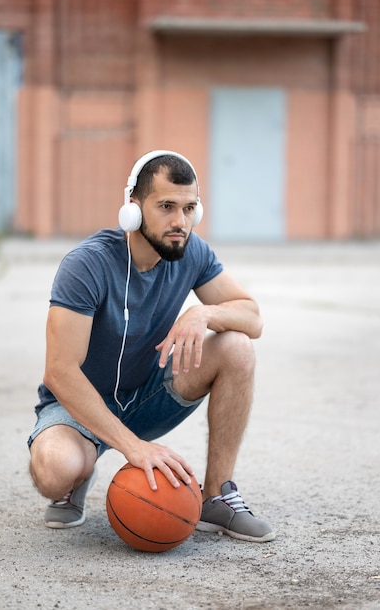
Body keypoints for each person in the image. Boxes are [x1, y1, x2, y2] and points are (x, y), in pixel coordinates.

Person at [27, 150, 276, 543]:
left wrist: (204, 314)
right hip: (79, 404)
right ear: (133, 210)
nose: (180, 221)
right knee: (55, 469)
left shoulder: (191, 250)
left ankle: (217, 496)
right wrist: (134, 448)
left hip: (147, 394)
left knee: (237, 346)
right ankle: (79, 472)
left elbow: (252, 317)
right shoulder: (87, 265)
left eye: (189, 207)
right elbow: (60, 371)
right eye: (166, 207)